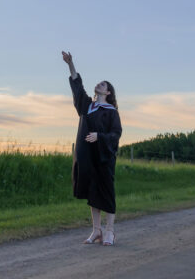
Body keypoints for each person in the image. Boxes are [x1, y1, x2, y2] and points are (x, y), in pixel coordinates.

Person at [62, 50, 122, 246]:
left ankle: (110, 232)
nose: (99, 85)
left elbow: (116, 134)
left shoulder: (111, 112)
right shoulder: (88, 106)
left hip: (104, 157)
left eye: (102, 85)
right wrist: (70, 64)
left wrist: (100, 137)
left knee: (106, 191)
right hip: (88, 156)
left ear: (108, 92)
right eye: (98, 83)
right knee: (92, 192)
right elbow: (78, 89)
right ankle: (97, 230)